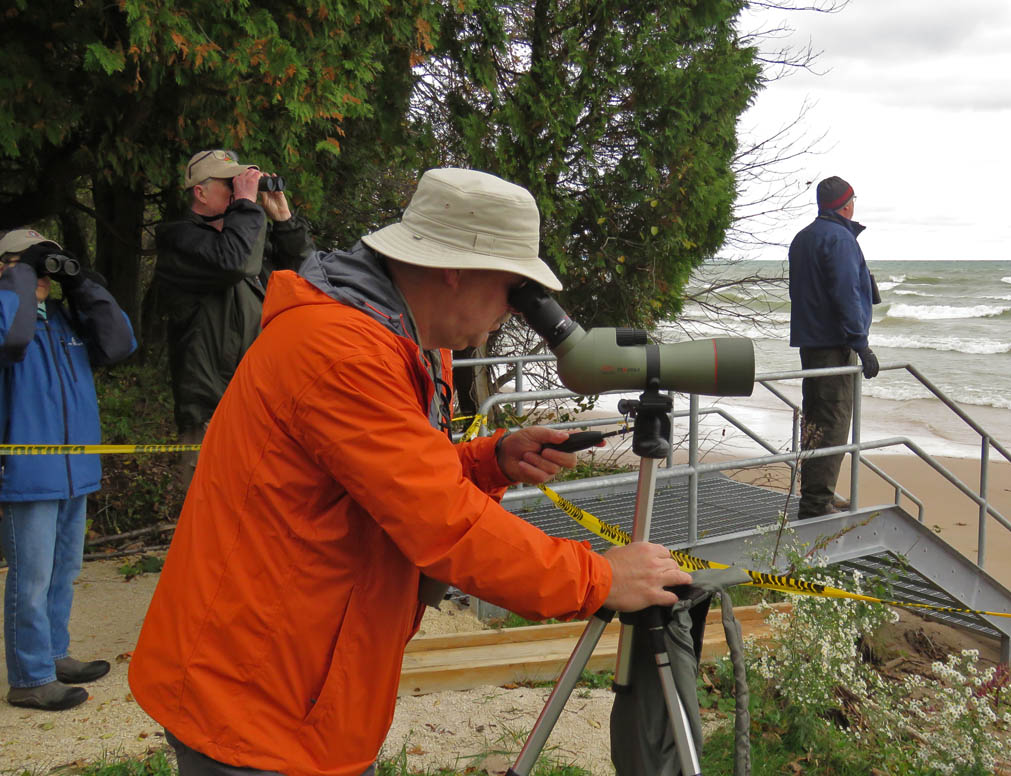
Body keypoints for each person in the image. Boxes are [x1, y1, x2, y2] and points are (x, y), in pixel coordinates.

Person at [128, 168, 692, 776]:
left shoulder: (401, 337)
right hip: (254, 696)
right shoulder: (341, 349)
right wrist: (599, 577)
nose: (511, 314)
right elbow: (441, 523)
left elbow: (382, 474)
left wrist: (486, 460)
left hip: (296, 680)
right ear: (456, 267)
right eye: (515, 290)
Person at [0, 229, 136, 711]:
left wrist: (82, 284)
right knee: (31, 576)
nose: (40, 273)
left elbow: (120, 343)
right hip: (27, 473)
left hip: (75, 469)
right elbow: (11, 338)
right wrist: (16, 277)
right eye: (27, 263)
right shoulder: (7, 317)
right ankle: (30, 677)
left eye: (46, 264)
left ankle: (53, 655)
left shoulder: (64, 320)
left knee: (63, 570)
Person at [153, 149, 315, 487]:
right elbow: (233, 263)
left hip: (260, 410)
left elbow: (305, 276)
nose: (242, 191)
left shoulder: (245, 241)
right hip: (211, 415)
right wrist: (247, 206)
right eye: (231, 184)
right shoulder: (181, 241)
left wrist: (283, 220)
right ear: (200, 192)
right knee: (212, 528)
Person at [788, 176, 880, 519]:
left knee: (815, 419)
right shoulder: (839, 239)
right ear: (847, 203)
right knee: (834, 422)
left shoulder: (803, 238)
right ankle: (815, 503)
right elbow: (846, 295)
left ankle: (817, 494)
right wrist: (861, 343)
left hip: (811, 341)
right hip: (833, 343)